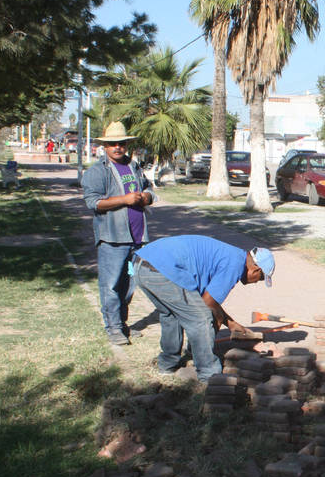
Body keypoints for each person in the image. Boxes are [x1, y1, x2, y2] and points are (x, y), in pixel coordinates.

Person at [134, 236, 274, 380]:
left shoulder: (233, 255)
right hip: (163, 269)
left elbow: (208, 300)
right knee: (201, 319)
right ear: (255, 270)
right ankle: (209, 375)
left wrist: (230, 323)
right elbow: (208, 302)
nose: (256, 282)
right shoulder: (236, 264)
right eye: (260, 279)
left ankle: (167, 365)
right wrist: (227, 322)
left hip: (142, 264)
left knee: (172, 314)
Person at [81, 121, 156, 345]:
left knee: (129, 284)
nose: (117, 147)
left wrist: (146, 197)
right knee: (111, 285)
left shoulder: (133, 167)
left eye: (121, 143)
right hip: (113, 239)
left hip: (137, 239)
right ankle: (113, 328)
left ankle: (123, 324)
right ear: (105, 146)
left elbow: (149, 188)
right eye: (112, 144)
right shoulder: (97, 171)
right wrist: (124, 200)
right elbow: (93, 203)